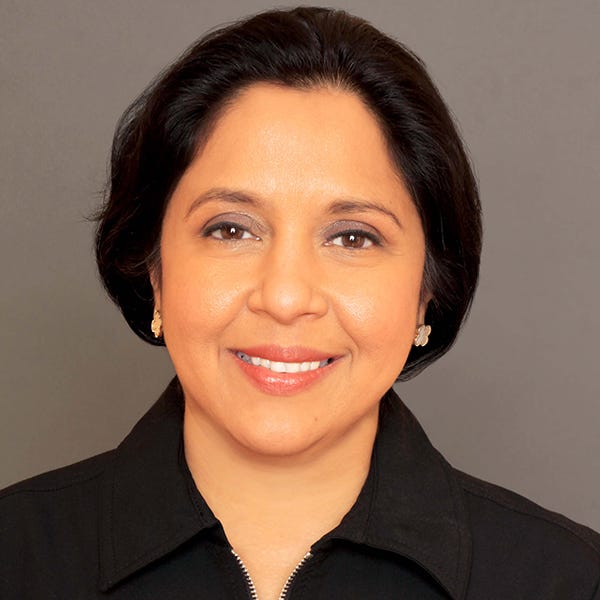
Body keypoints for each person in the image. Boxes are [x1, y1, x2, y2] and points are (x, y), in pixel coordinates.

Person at [1, 6, 598, 599]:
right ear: (153, 269)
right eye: (231, 230)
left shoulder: (567, 580)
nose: (285, 298)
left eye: (352, 237)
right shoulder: (17, 559)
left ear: (428, 288)